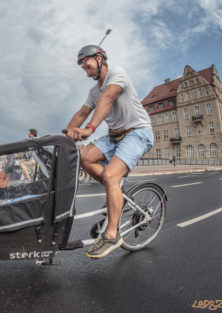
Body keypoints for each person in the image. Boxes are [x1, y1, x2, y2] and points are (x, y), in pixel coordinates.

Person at [65, 45, 153, 258]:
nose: (83, 67)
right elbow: (82, 112)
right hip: (114, 137)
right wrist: (65, 136)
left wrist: (89, 129)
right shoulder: (93, 91)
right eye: (80, 64)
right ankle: (116, 193)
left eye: (85, 61)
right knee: (84, 158)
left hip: (137, 132)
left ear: (99, 58)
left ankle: (113, 235)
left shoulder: (117, 73)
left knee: (110, 176)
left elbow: (108, 99)